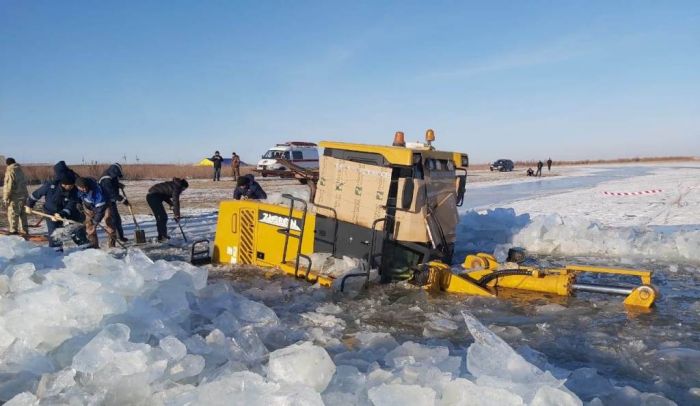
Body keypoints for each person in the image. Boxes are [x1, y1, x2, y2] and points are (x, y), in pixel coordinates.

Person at [26, 176, 88, 249]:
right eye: (70, 186)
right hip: (50, 212)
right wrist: (29, 205)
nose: (72, 187)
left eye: (73, 185)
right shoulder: (50, 186)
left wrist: (62, 214)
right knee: (54, 234)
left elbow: (72, 204)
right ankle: (56, 253)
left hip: (68, 212)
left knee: (76, 229)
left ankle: (85, 248)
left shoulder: (74, 190)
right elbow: (36, 195)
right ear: (63, 184)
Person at [75, 177, 116, 248]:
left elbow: (100, 210)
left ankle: (112, 244)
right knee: (89, 226)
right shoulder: (78, 189)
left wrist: (95, 224)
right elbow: (76, 197)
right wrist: (78, 203)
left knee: (108, 223)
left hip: (105, 206)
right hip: (89, 207)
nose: (84, 189)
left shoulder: (97, 192)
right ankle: (94, 246)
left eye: (85, 187)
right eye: (82, 188)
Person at [146, 177, 189, 242]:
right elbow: (176, 201)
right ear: (182, 187)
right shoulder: (177, 188)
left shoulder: (174, 184)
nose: (182, 191)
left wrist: (170, 204)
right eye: (183, 189)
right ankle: (162, 236)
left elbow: (164, 195)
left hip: (152, 196)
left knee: (161, 217)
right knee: (162, 217)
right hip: (153, 197)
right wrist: (177, 215)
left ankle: (161, 235)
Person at [99, 163, 129, 243]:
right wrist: (123, 200)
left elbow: (113, 183)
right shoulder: (106, 179)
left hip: (111, 201)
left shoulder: (111, 175)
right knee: (113, 221)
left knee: (117, 220)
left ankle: (120, 237)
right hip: (106, 202)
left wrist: (119, 185)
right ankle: (113, 241)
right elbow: (111, 192)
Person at [3, 158, 29, 235]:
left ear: (7, 164)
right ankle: (24, 230)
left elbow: (8, 186)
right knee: (23, 214)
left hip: (15, 197)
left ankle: (13, 231)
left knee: (13, 214)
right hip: (24, 196)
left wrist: (5, 198)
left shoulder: (10, 171)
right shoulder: (20, 170)